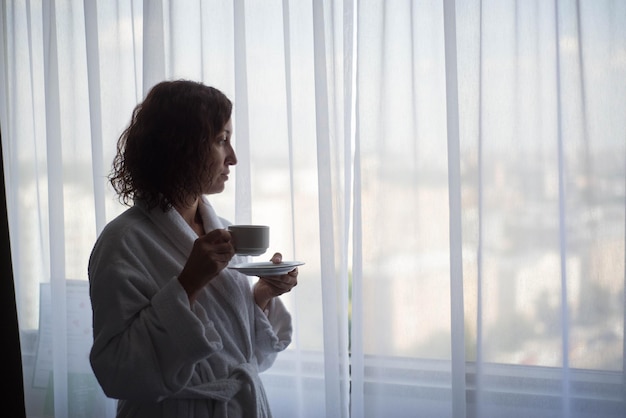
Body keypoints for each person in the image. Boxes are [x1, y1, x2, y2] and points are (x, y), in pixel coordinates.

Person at [88, 79, 298, 418]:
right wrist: (187, 284)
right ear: (181, 146)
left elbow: (243, 354)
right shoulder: (123, 241)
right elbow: (117, 371)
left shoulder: (223, 233)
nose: (233, 158)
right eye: (222, 140)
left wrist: (261, 295)